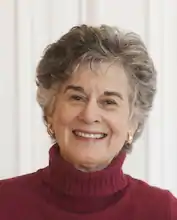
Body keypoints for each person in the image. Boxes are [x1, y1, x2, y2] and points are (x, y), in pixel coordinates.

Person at [0, 24, 177, 220]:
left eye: (109, 102)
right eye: (77, 97)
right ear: (50, 111)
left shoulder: (163, 211)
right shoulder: (4, 202)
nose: (89, 115)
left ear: (133, 123)